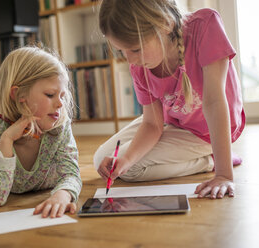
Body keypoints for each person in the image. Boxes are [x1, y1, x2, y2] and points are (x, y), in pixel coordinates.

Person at [94, 0, 245, 199]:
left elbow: (215, 103)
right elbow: (152, 124)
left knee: (131, 171)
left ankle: (210, 160)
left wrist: (224, 174)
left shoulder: (205, 26)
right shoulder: (140, 66)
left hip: (207, 130)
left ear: (165, 24)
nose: (130, 61)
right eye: (122, 51)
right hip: (174, 121)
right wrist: (127, 159)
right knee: (102, 161)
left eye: (135, 49)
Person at [0, 46, 82, 218]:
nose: (60, 104)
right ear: (19, 94)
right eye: (50, 94)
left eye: (63, 95)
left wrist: (63, 194)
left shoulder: (60, 127)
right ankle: (1, 112)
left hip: (32, 171)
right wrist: (7, 139)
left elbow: (71, 174)